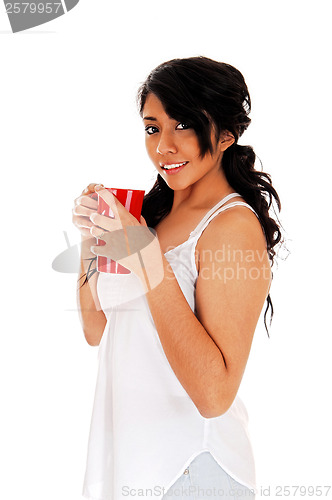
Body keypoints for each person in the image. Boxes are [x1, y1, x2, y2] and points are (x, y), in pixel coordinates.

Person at [72, 56, 283, 500]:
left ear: (227, 134)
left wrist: (146, 256)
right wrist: (95, 234)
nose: (163, 146)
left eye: (183, 124)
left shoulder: (231, 228)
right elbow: (96, 330)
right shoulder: (151, 217)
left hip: (192, 470)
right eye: (153, 128)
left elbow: (213, 395)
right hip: (131, 463)